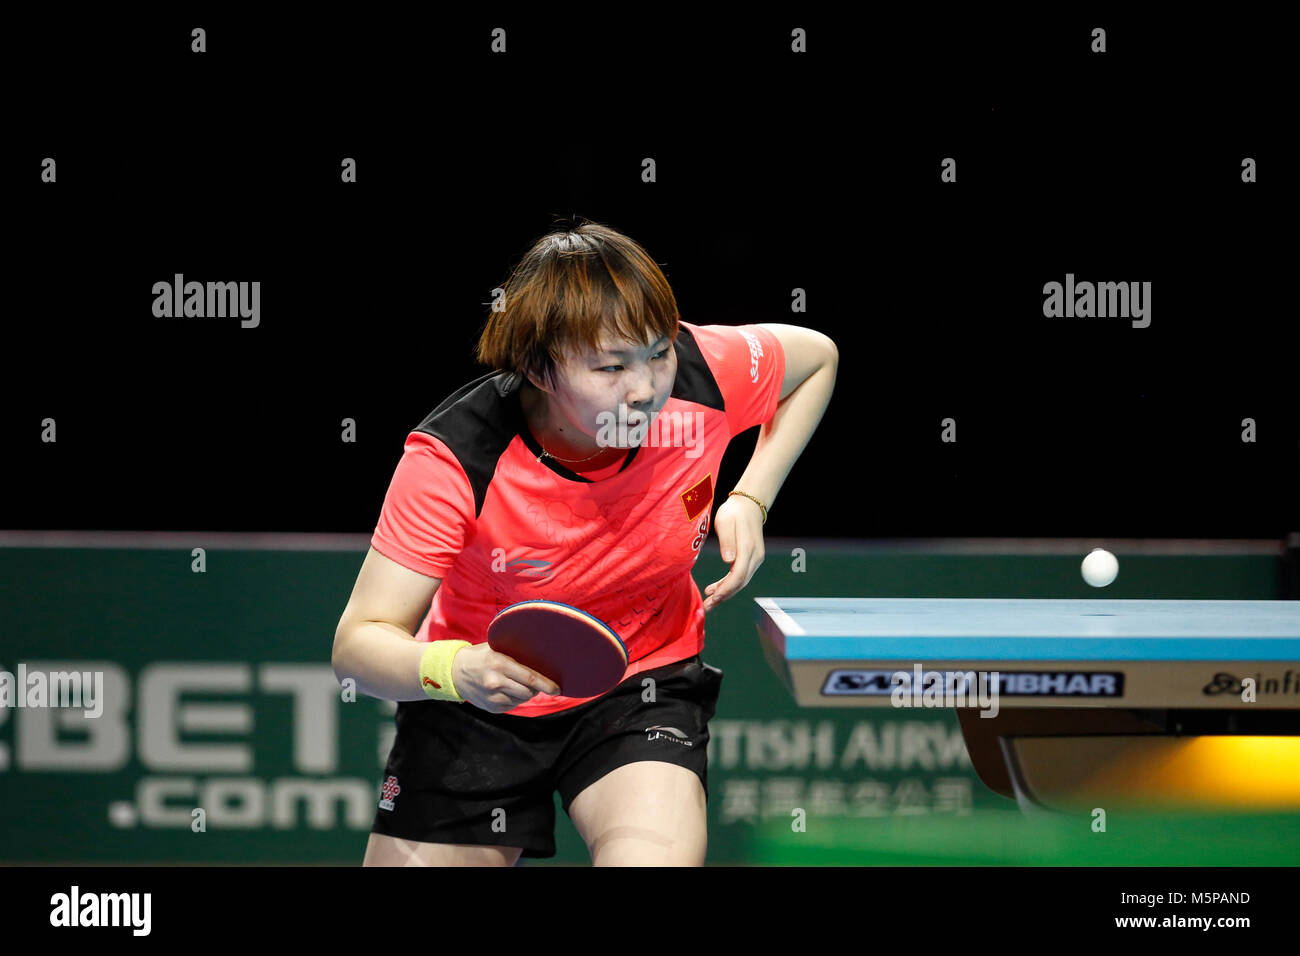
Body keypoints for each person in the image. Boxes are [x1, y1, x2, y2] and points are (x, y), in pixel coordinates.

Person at [332, 219, 838, 865]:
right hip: (475, 698)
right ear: (538, 368)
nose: (646, 387)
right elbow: (358, 646)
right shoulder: (458, 458)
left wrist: (751, 496)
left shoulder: (702, 372)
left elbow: (817, 357)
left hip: (640, 685)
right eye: (609, 367)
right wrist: (457, 671)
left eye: (658, 352)